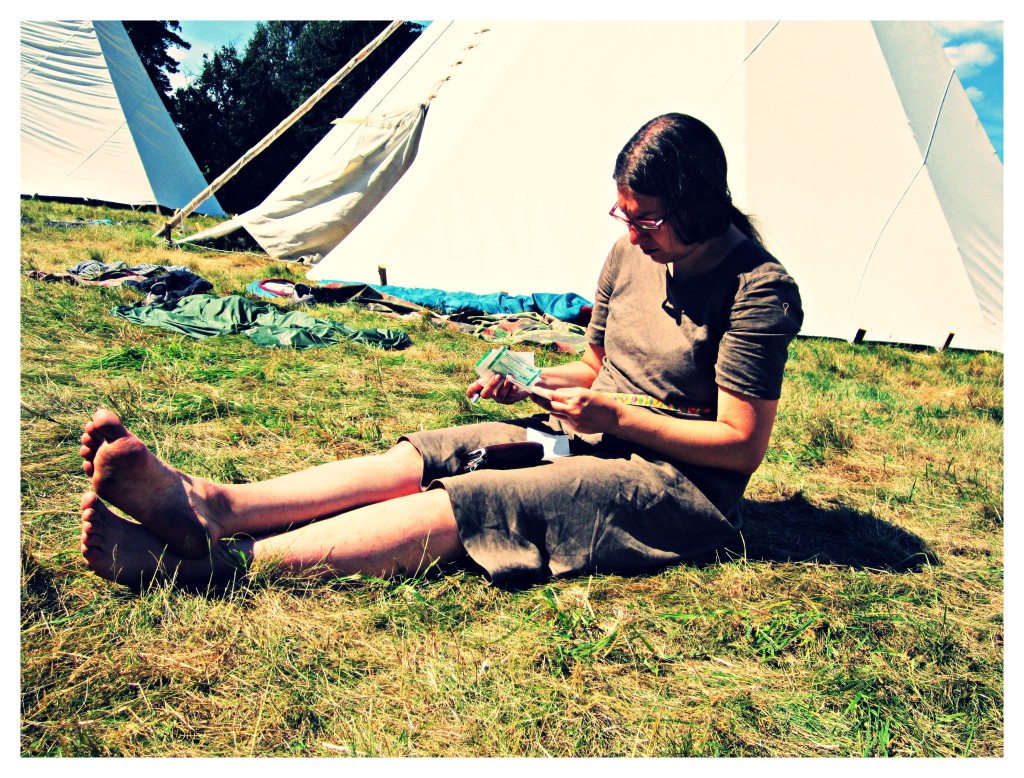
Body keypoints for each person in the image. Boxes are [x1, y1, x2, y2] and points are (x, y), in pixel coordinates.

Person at [79, 113, 803, 591]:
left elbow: (740, 445)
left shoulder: (757, 289)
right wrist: (535, 383)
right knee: (435, 452)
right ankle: (214, 505)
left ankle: (214, 568)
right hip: (589, 435)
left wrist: (613, 417)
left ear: (698, 208)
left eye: (646, 220)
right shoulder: (627, 254)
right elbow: (594, 368)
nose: (632, 233)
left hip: (678, 487)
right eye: (625, 213)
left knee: (483, 499)